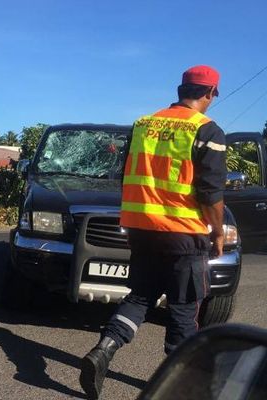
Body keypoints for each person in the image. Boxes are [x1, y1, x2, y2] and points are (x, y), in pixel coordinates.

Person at [79, 65, 227, 399]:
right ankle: (179, 386)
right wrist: (217, 233)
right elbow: (211, 193)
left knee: (141, 296)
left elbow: (127, 176)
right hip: (184, 234)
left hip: (142, 229)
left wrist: (131, 224)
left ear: (180, 89)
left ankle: (104, 347)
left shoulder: (143, 124)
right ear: (210, 94)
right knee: (184, 310)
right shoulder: (208, 131)